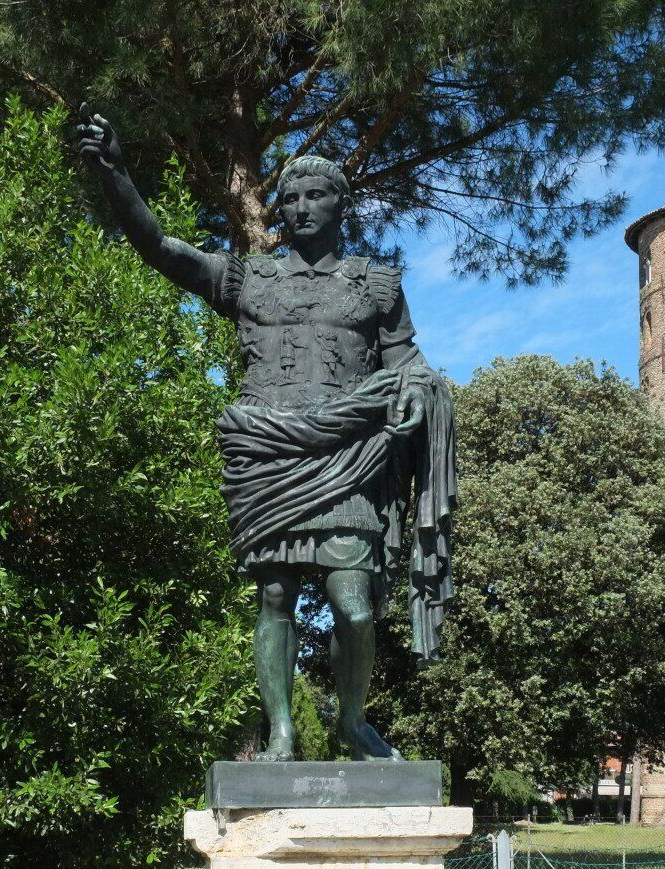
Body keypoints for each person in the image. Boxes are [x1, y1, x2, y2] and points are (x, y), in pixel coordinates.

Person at [75, 105, 455, 761]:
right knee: (275, 598)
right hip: (267, 451)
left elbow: (408, 366)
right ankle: (280, 733)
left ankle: (350, 722)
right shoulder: (250, 277)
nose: (301, 206)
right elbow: (161, 248)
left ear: (342, 204)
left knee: (354, 604)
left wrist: (421, 395)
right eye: (291, 198)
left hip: (345, 459)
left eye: (316, 196)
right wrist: (115, 173)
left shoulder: (374, 284)